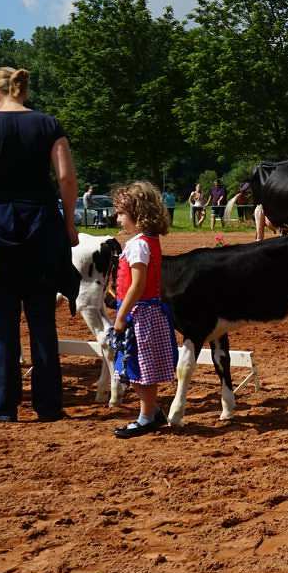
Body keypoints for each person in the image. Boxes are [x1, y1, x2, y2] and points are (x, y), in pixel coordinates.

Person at [0, 66, 78, 424]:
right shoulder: (50, 124)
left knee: (3, 324)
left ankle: (4, 406)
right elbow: (66, 179)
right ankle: (49, 406)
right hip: (42, 225)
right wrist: (69, 224)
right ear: (23, 90)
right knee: (42, 323)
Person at [107, 182, 177, 438]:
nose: (118, 218)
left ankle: (147, 416)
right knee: (138, 366)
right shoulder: (147, 240)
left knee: (138, 367)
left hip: (140, 313)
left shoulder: (138, 245)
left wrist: (121, 316)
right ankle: (151, 411)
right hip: (147, 310)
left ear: (137, 214)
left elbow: (137, 285)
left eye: (121, 214)